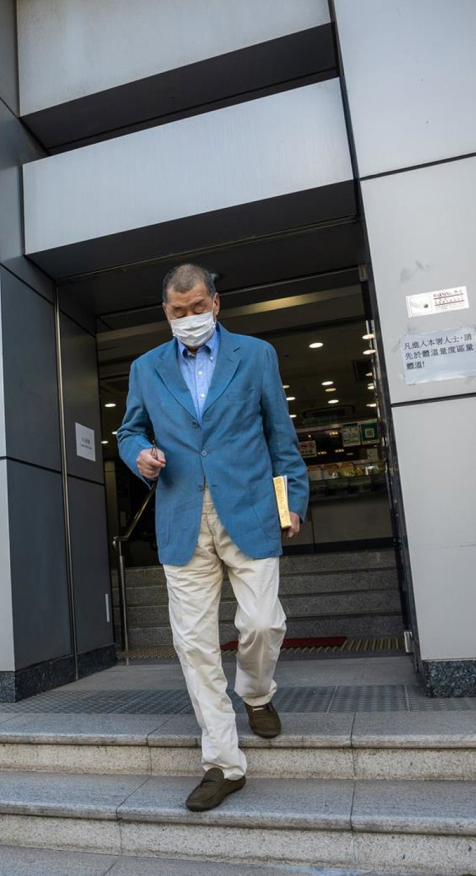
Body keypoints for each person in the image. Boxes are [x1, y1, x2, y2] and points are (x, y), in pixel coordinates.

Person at [117, 262, 309, 812]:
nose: (190, 317)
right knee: (194, 645)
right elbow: (130, 430)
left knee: (263, 622)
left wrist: (291, 502)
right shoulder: (146, 368)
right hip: (181, 518)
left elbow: (280, 436)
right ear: (166, 313)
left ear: (216, 303)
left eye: (198, 307)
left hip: (250, 511)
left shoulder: (257, 355)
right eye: (179, 311)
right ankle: (223, 763)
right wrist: (140, 455)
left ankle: (256, 692)